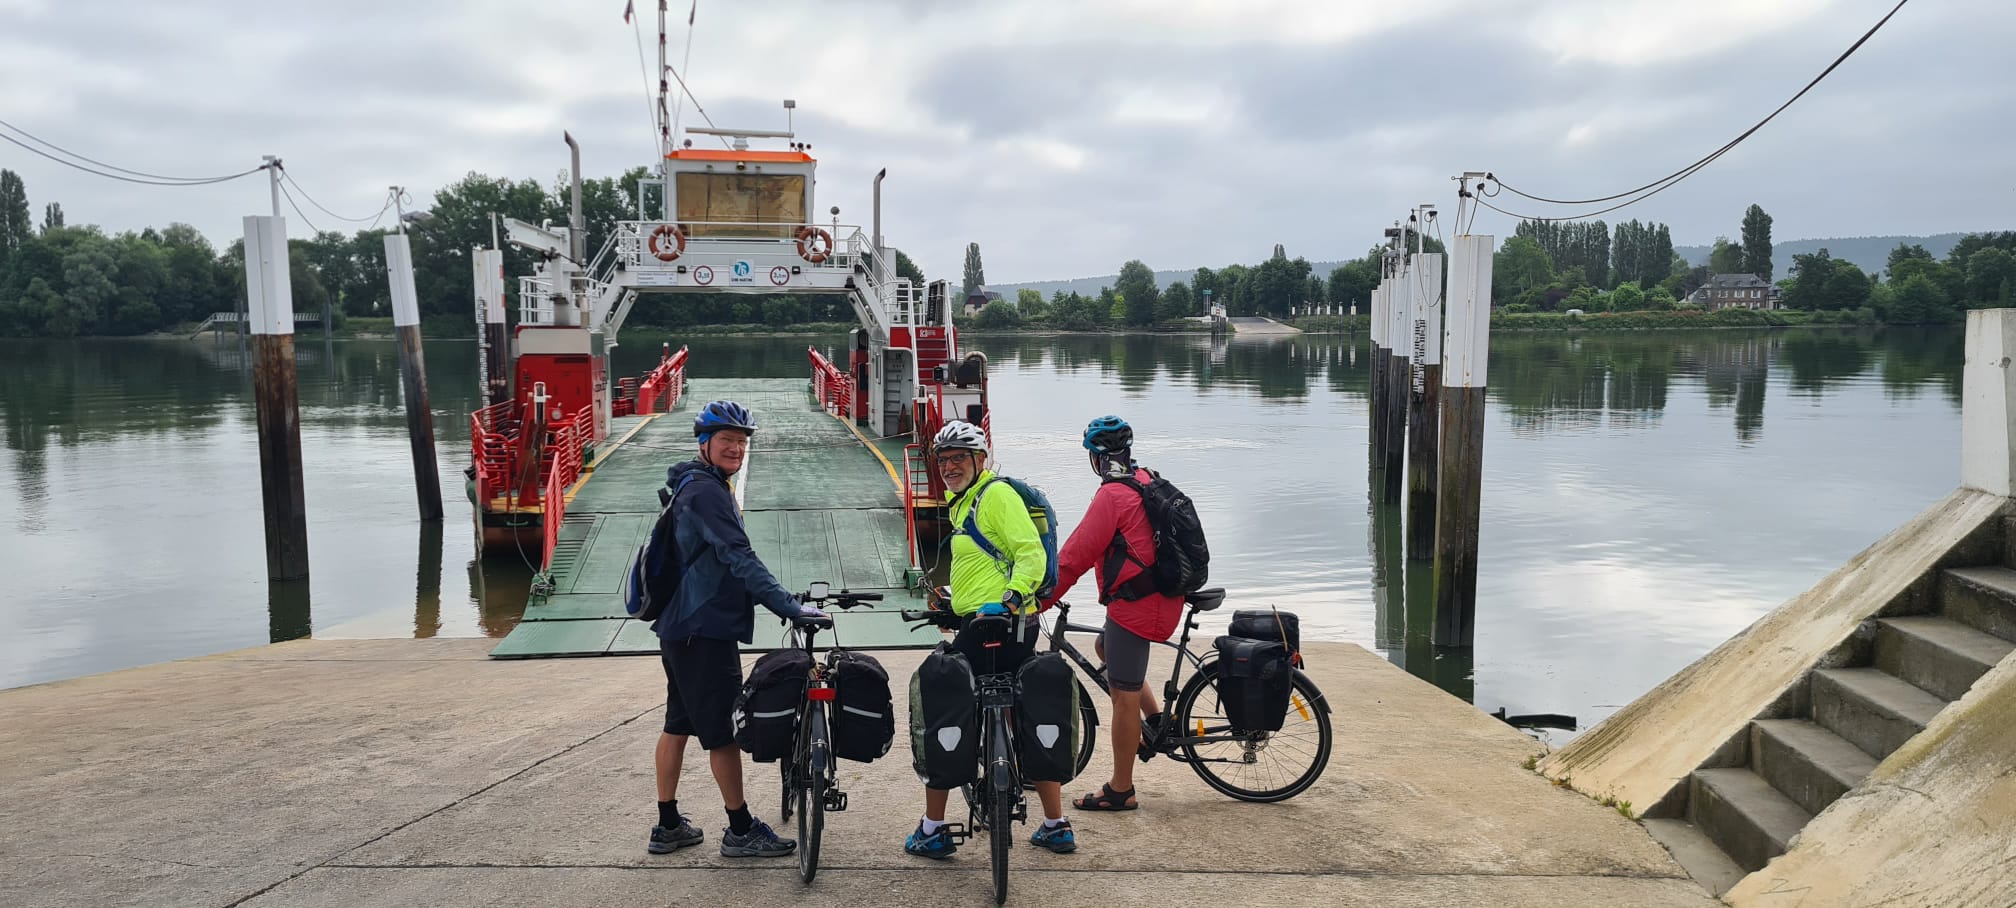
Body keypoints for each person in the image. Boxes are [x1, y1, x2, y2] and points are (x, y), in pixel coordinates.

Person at [645, 400, 824, 858]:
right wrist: (789, 607)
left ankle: (667, 825)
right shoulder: (706, 493)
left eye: (742, 442)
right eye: (727, 440)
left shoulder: (695, 484)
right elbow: (739, 558)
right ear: (704, 443)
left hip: (680, 628)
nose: (736, 449)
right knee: (723, 733)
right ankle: (740, 829)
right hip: (703, 631)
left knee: (677, 724)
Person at [904, 420, 1078, 858]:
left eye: (958, 458)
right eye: (942, 460)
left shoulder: (995, 495)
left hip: (1001, 623)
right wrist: (953, 602)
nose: (948, 467)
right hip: (992, 622)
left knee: (945, 703)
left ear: (981, 461)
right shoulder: (964, 504)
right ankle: (1056, 825)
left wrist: (1012, 595)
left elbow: (1028, 552)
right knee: (1026, 712)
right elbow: (988, 561)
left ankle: (932, 828)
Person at [1045, 415, 1183, 812]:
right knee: (1106, 647)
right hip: (1161, 595)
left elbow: (1074, 557)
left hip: (1138, 605)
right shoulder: (1146, 479)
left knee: (1123, 694)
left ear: (1095, 458)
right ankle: (1158, 722)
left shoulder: (1111, 495)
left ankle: (1121, 789)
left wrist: (1039, 599)